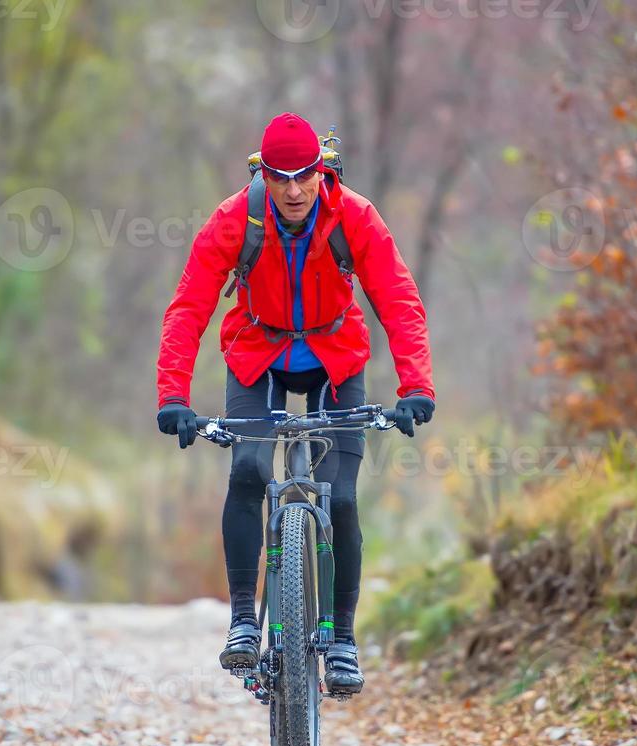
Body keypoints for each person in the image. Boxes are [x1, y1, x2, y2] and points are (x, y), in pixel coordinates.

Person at [154, 112, 435, 696]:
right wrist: (174, 396)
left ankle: (344, 642)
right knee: (251, 469)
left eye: (304, 175)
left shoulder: (353, 215)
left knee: (343, 496)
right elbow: (189, 307)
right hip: (258, 353)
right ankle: (240, 622)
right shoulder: (236, 220)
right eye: (280, 178)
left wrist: (416, 388)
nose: (294, 190)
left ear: (320, 170)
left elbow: (398, 298)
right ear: (263, 175)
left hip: (336, 355)